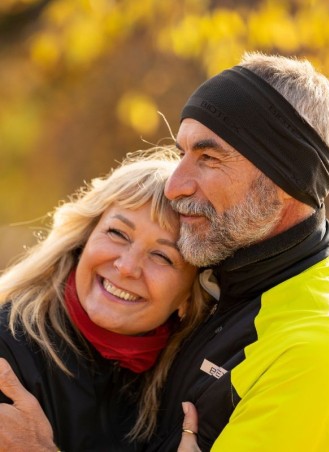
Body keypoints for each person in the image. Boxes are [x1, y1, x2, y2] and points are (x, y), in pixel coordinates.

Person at [0, 51, 329, 451]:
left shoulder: (318, 353)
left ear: (284, 178)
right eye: (182, 153)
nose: (175, 185)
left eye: (208, 158)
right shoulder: (231, 290)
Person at [0, 148, 210, 451]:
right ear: (84, 239)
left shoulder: (188, 391)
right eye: (118, 233)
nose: (126, 267)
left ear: (189, 296)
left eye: (162, 256)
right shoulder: (9, 352)